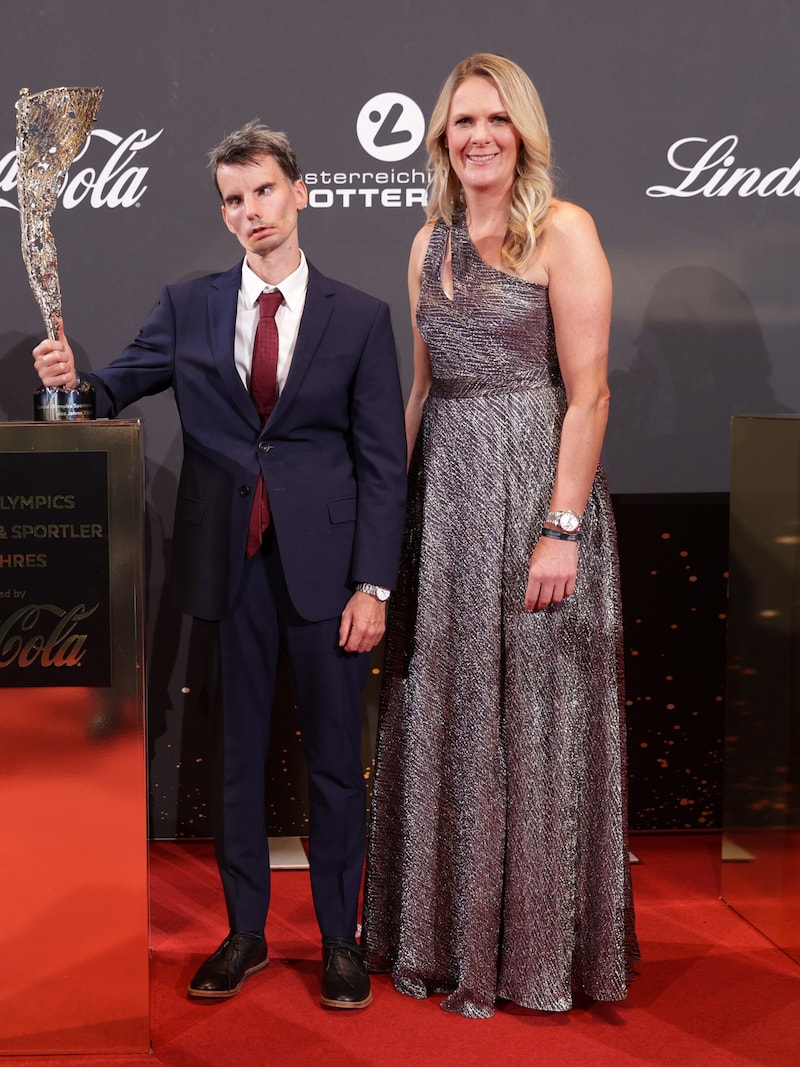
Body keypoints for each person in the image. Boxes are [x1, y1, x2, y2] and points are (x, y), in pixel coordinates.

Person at [32, 121, 407, 1010]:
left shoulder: (360, 317)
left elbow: (383, 462)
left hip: (329, 576)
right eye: (233, 200)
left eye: (264, 191)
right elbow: (108, 389)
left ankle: (340, 940)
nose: (250, 212)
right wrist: (66, 380)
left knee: (332, 764)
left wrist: (374, 584)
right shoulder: (187, 304)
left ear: (301, 191)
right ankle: (245, 934)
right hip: (226, 569)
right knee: (234, 758)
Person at [362, 54, 639, 1018]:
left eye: (495, 120)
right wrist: (382, 519)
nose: (477, 136)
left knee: (534, 720)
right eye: (461, 122)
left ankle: (536, 953)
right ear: (441, 139)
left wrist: (561, 528)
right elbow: (423, 389)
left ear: (523, 130)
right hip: (445, 503)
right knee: (451, 709)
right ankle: (440, 937)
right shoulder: (428, 241)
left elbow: (591, 391)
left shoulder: (565, 232)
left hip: (533, 494)